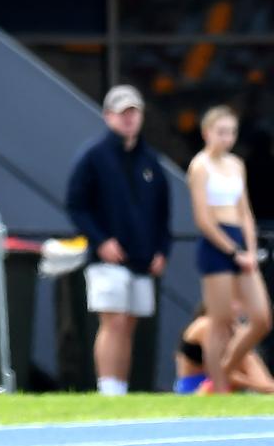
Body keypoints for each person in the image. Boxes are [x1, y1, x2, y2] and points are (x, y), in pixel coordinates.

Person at [66, 84, 171, 397]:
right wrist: (100, 241)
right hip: (107, 260)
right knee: (112, 322)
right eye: (122, 112)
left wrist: (162, 250)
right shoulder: (93, 156)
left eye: (133, 112)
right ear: (108, 115)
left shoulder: (151, 161)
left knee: (129, 324)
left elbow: (164, 213)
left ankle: (120, 387)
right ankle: (108, 389)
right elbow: (76, 205)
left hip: (142, 259)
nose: (128, 119)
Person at [187, 105, 272, 393]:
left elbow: (244, 211)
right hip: (216, 244)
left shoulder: (236, 164)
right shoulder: (200, 166)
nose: (227, 138)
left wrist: (249, 249)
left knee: (261, 317)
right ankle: (220, 388)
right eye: (221, 132)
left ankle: (224, 369)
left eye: (231, 132)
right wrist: (233, 250)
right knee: (220, 321)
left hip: (239, 240)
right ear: (207, 133)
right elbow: (204, 218)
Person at [175, 303, 274, 394]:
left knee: (244, 351)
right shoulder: (205, 324)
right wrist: (257, 385)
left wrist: (266, 385)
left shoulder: (236, 330)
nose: (238, 308)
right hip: (196, 388)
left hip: (222, 384)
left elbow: (252, 366)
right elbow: (216, 372)